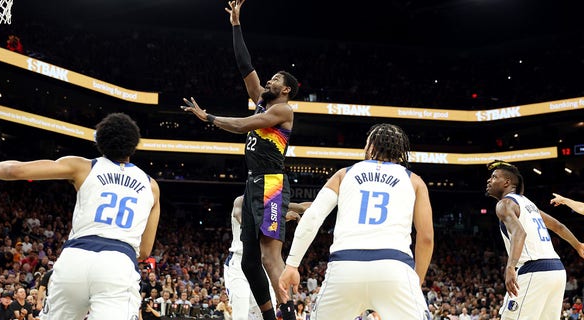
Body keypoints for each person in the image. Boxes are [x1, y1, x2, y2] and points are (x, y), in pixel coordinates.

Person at [0, 113, 162, 320]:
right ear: (134, 145)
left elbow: (16, 170)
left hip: (75, 259)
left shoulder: (83, 166)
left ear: (100, 142)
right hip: (118, 263)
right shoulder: (151, 186)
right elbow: (144, 251)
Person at [181, 2, 299, 319]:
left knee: (270, 256)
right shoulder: (263, 102)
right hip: (253, 184)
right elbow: (244, 66)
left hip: (272, 182)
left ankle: (289, 314)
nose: (269, 80)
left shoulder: (282, 111)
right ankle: (268, 314)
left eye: (275, 79)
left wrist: (207, 117)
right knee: (248, 261)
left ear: (285, 89)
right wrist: (236, 25)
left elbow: (241, 125)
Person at [279, 123, 434, 319]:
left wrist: (292, 264)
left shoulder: (344, 174)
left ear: (371, 147)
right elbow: (426, 237)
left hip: (344, 268)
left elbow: (313, 216)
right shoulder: (415, 181)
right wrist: (415, 282)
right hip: (394, 269)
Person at [484, 160, 584, 320]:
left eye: (494, 177)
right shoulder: (529, 204)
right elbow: (558, 226)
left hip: (534, 271)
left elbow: (519, 232)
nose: (489, 180)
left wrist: (510, 267)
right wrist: (578, 245)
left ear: (507, 182)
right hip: (557, 271)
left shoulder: (504, 204)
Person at [225, 196, 306, 320]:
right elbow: (244, 221)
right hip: (239, 263)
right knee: (240, 314)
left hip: (261, 264)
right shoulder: (241, 201)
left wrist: (334, 198)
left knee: (267, 313)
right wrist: (279, 216)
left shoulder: (269, 204)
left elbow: (300, 207)